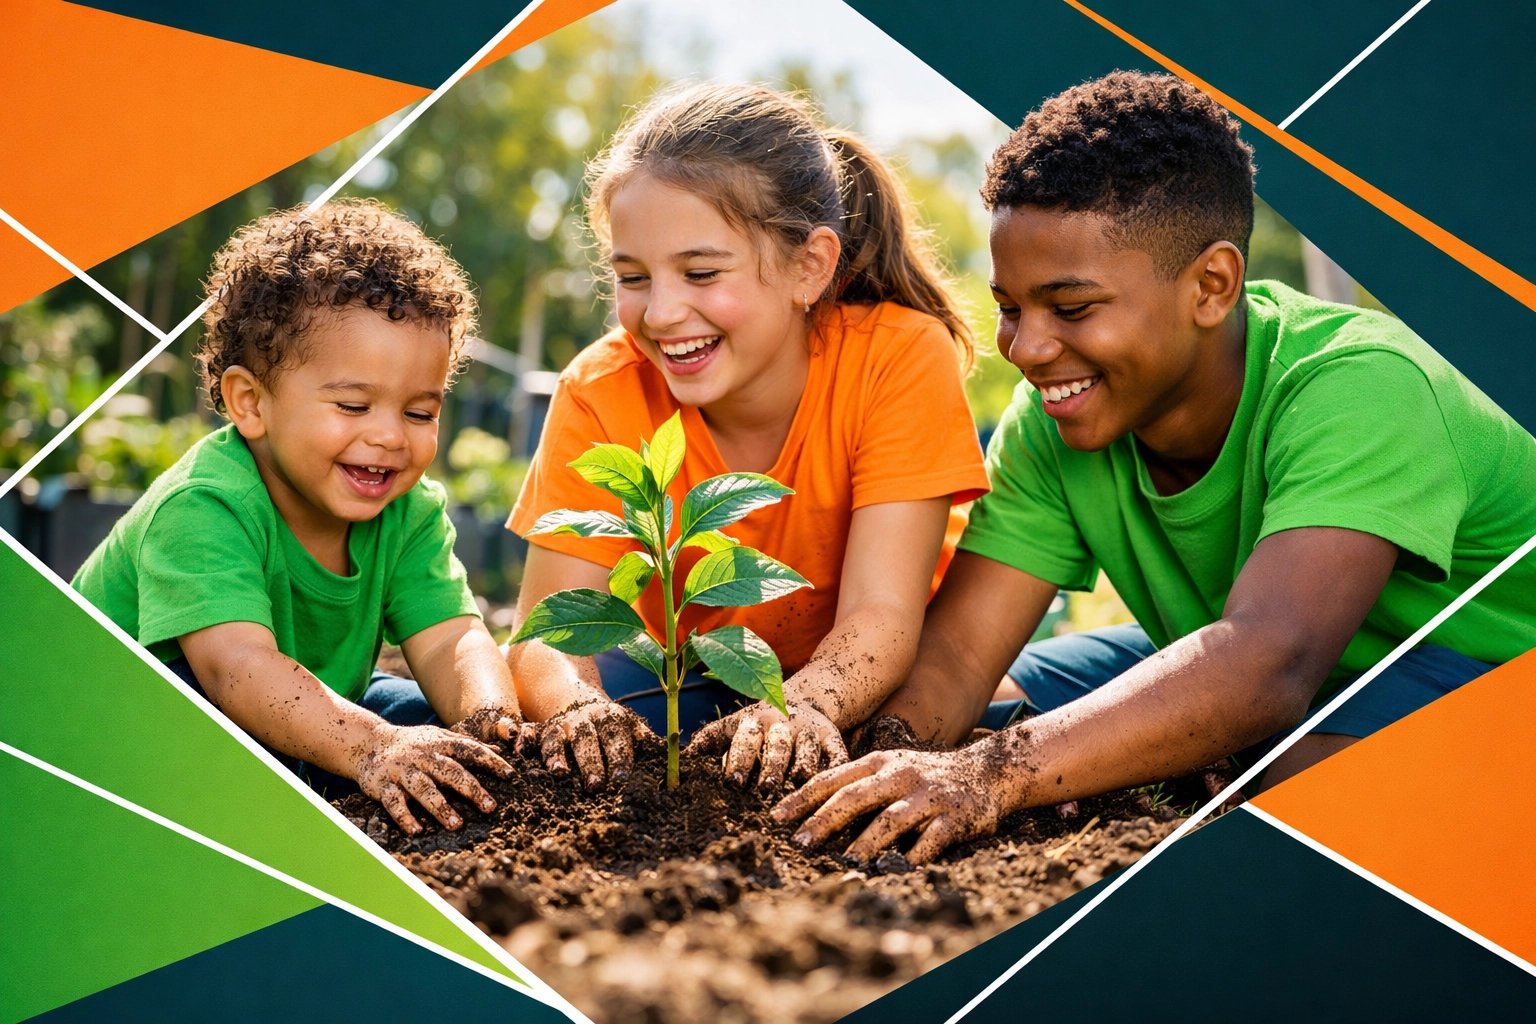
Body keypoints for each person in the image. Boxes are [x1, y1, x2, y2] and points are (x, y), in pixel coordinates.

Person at [772, 70, 1536, 865]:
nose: (1027, 349)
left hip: (1478, 678)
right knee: (998, 705)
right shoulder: (1055, 420)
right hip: (1247, 661)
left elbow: (1269, 660)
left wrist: (988, 776)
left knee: (1284, 776)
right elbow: (961, 656)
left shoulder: (1364, 383)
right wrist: (888, 759)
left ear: (1211, 286)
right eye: (1009, 307)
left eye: (1070, 309)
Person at [505, 82, 989, 792]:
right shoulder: (600, 389)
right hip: (690, 675)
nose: (663, 313)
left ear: (809, 267)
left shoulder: (898, 355)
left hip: (865, 680)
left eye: (701, 272)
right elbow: (547, 634)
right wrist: (579, 709)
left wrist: (805, 704)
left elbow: (880, 617)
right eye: (633, 277)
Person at [73, 199, 522, 836]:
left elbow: (451, 638)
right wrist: (371, 749)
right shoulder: (204, 506)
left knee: (429, 726)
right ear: (250, 404)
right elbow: (237, 668)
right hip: (125, 736)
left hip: (300, 711)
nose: (391, 436)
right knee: (372, 735)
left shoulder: (405, 510)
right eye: (353, 405)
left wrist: (492, 725)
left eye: (419, 413)